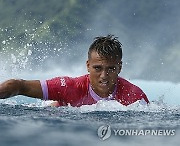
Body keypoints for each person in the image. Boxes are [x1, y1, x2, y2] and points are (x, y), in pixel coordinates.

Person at [0, 34, 149, 107]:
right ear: (88, 66)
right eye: (97, 68)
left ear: (120, 68)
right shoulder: (69, 87)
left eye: (111, 69)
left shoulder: (134, 97)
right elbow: (17, 86)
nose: (104, 76)